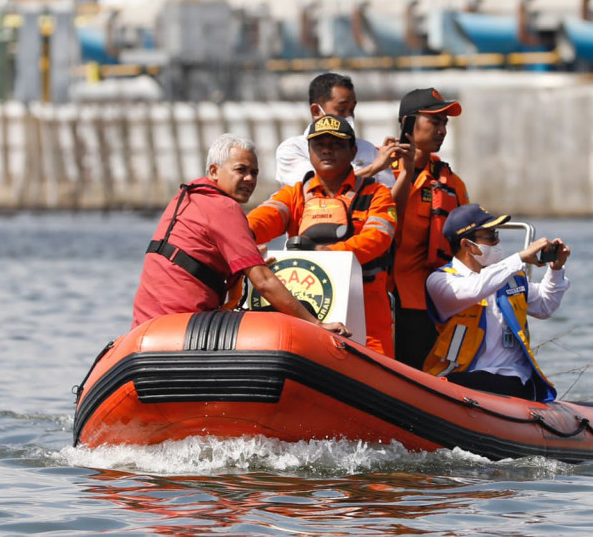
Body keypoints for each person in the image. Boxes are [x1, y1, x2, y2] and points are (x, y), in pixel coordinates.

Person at [131, 133, 350, 338]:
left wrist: (248, 262)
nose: (249, 179)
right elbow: (263, 281)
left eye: (254, 173)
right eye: (241, 170)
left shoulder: (185, 199)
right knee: (294, 313)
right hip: (184, 326)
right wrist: (315, 323)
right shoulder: (225, 207)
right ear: (214, 171)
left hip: (144, 328)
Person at [248, 115, 397, 356]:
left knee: (377, 372)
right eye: (319, 145)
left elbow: (379, 238)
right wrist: (240, 237)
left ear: (353, 151)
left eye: (336, 144)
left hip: (368, 316)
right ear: (309, 152)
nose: (327, 150)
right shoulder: (294, 194)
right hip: (309, 312)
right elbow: (260, 220)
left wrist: (327, 254)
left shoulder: (377, 193)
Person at [424, 203, 570, 402]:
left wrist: (556, 270)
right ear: (467, 245)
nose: (497, 240)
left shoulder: (510, 277)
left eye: (497, 234)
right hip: (460, 376)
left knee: (505, 384)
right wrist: (520, 258)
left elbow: (545, 307)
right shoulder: (441, 281)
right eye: (491, 236)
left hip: (512, 378)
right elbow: (475, 289)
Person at [390, 87, 469, 368]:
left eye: (444, 123)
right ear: (408, 123)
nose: (442, 130)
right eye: (435, 121)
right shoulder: (380, 169)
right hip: (380, 296)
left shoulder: (451, 183)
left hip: (429, 301)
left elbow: (468, 243)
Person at [275, 72, 400, 189]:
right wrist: (373, 169)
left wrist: (407, 169)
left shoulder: (368, 150)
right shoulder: (293, 149)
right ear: (316, 111)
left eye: (352, 110)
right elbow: (314, 188)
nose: (349, 116)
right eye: (341, 110)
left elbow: (389, 197)